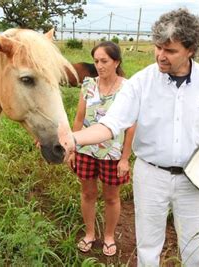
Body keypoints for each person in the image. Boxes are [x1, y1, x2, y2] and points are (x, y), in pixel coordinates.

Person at [71, 8, 199, 266]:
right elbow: (111, 124)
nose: (161, 56)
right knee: (147, 247)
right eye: (158, 47)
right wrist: (73, 139)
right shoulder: (141, 82)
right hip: (151, 175)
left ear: (191, 49)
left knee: (196, 249)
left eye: (170, 51)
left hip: (196, 179)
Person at [69, 41, 136, 257]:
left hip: (112, 154)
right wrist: (72, 149)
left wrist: (125, 158)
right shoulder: (88, 85)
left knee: (111, 198)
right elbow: (79, 119)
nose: (99, 65)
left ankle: (108, 236)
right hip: (86, 151)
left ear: (116, 62)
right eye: (96, 61)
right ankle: (89, 234)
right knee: (88, 194)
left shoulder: (127, 88)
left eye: (104, 61)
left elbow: (131, 127)